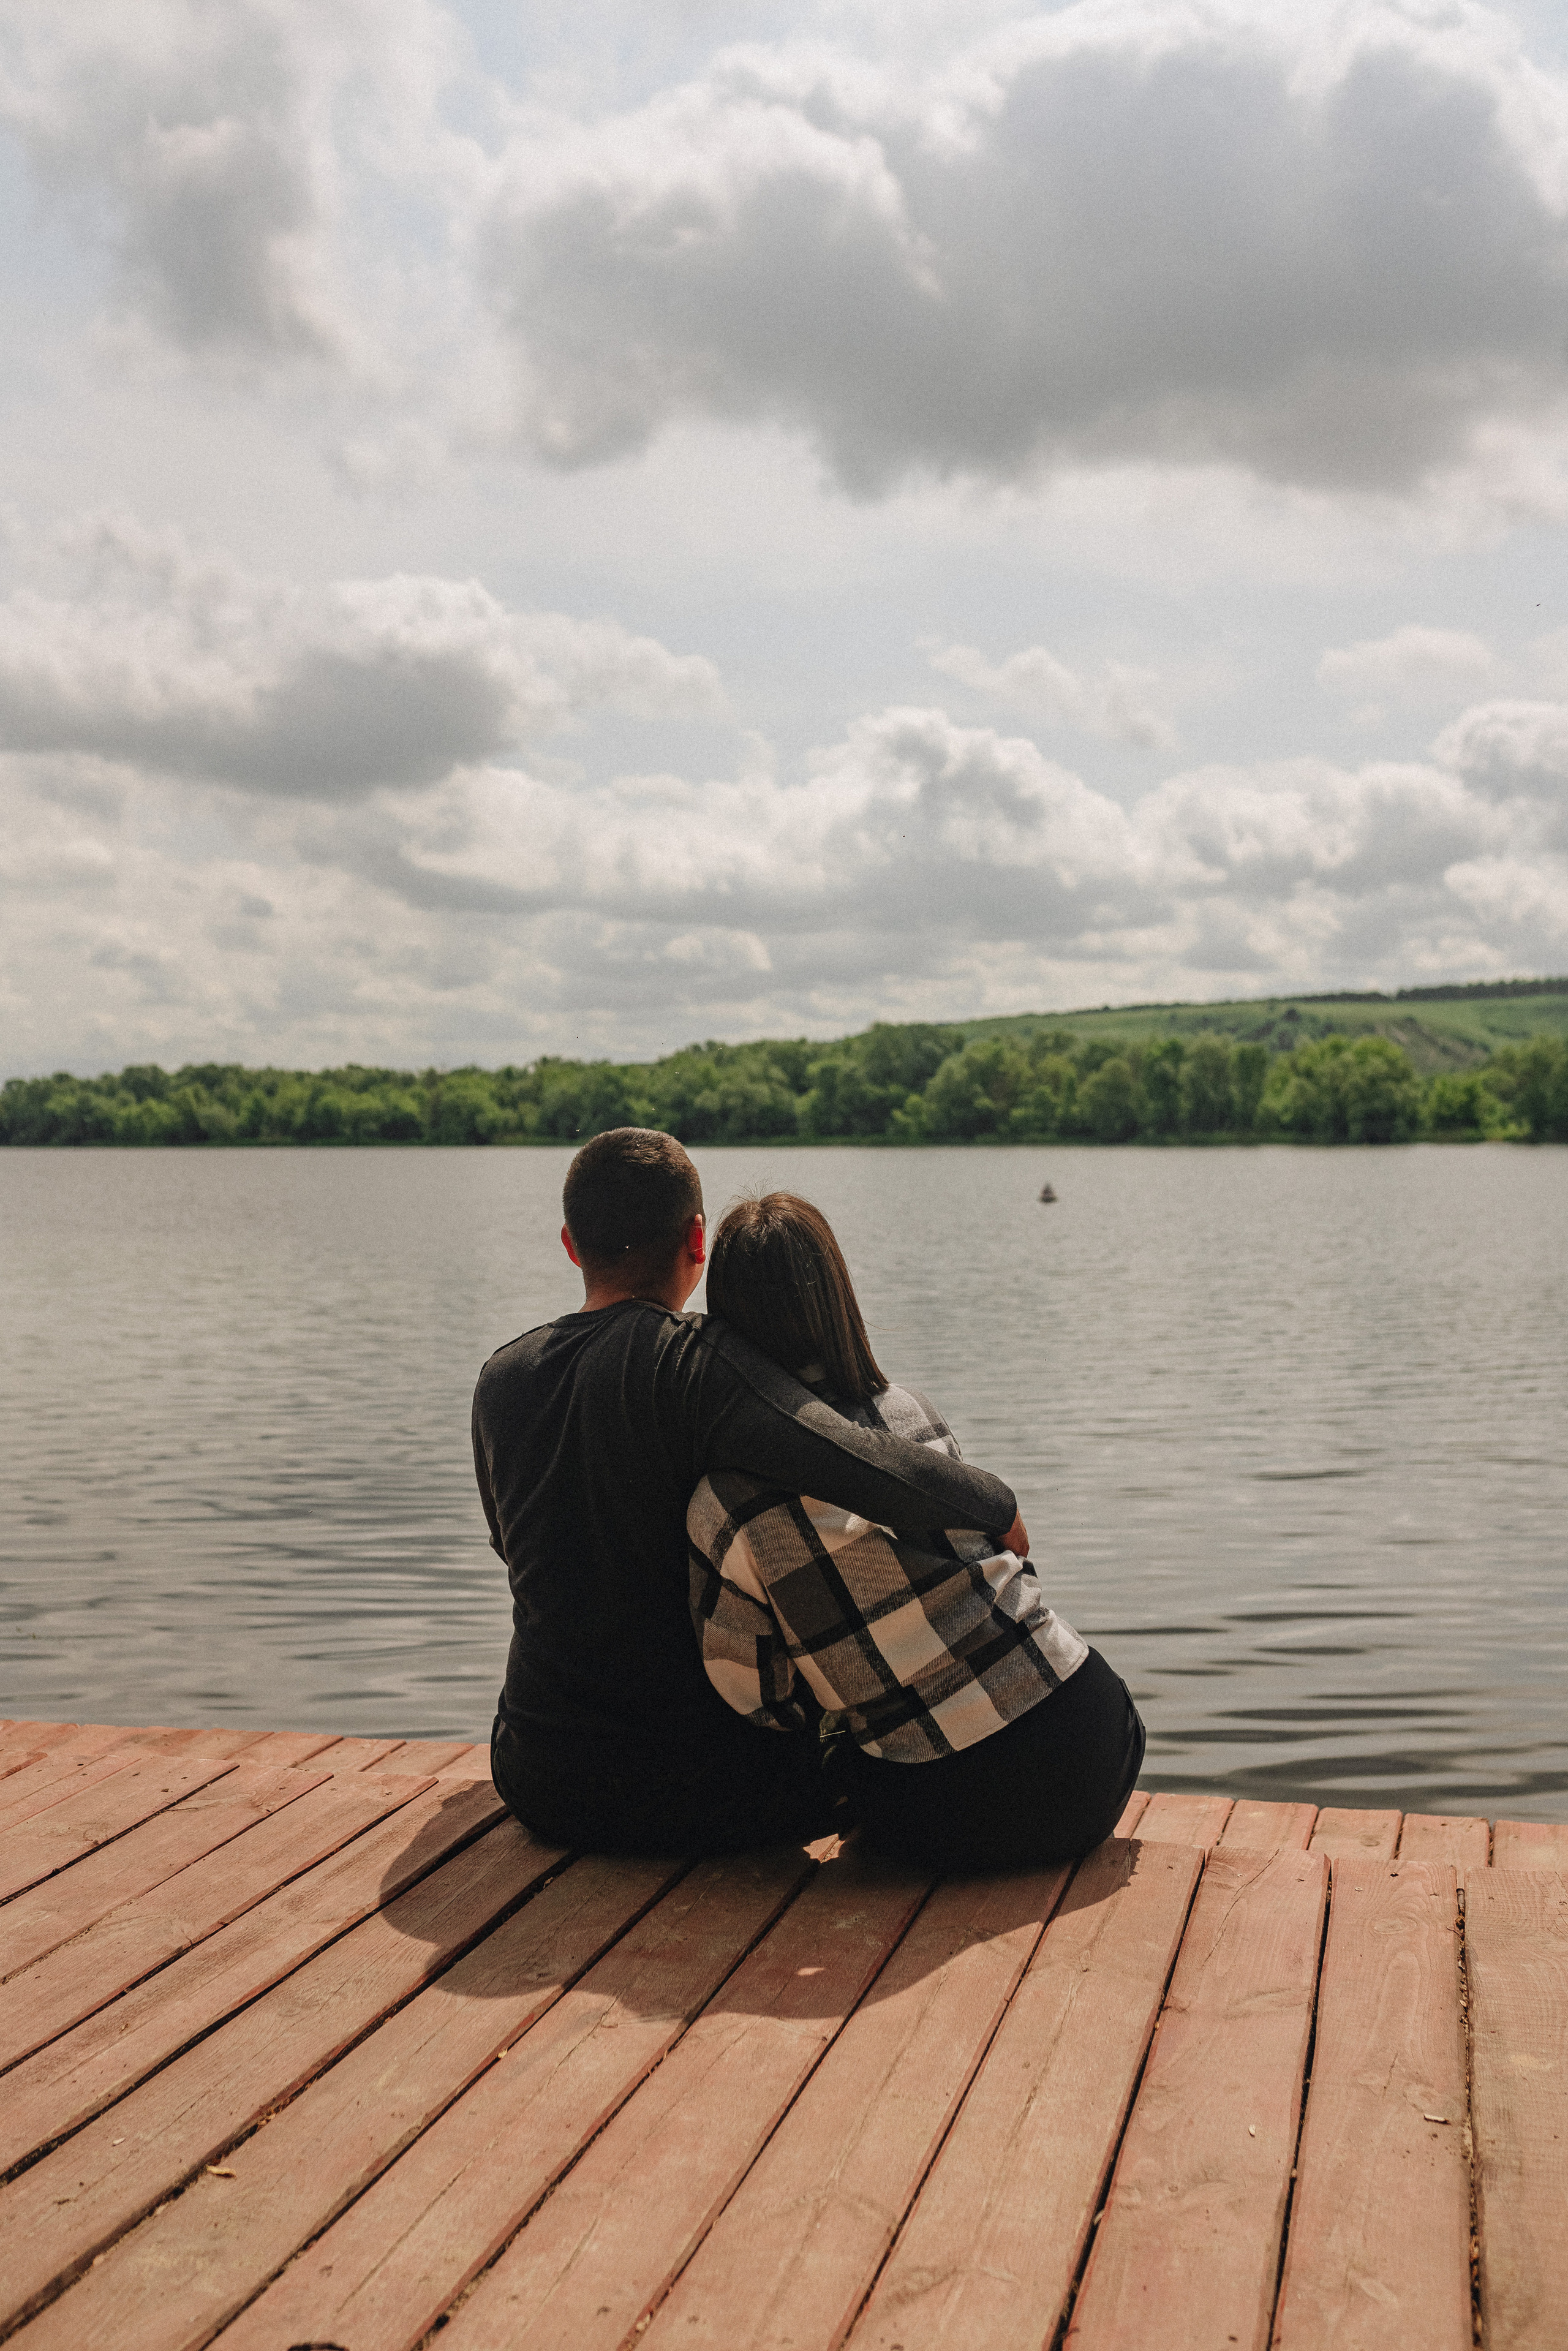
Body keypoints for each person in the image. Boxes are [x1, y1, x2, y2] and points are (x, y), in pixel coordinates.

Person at [472, 1128, 1028, 1856]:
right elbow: (860, 1462)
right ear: (696, 1241)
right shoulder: (693, 1363)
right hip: (711, 1795)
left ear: (572, 1245)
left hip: (537, 1776)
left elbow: (510, 1550)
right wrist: (998, 1505)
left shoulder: (501, 1377)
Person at [687, 1192, 1145, 1872]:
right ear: (837, 1296)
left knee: (843, 1762)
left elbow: (752, 1692)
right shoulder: (910, 1411)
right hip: (1096, 1734)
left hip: (959, 1801)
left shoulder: (723, 1499)